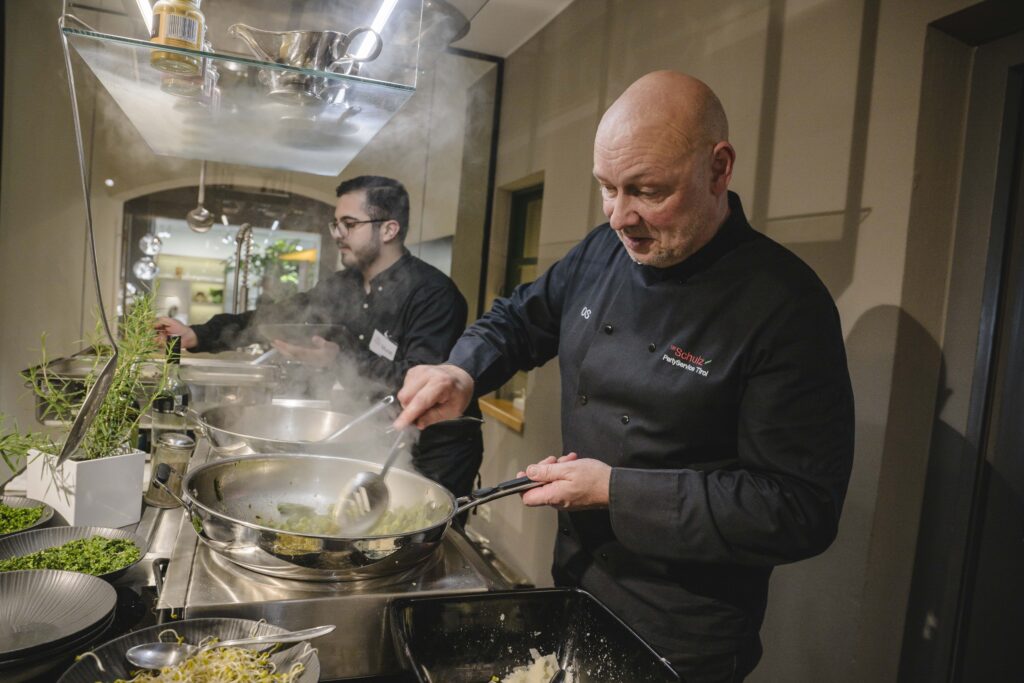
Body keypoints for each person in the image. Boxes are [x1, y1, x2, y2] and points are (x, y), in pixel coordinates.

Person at [393, 71, 855, 682]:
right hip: (576, 582)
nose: (619, 216)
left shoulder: (785, 304)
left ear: (719, 169)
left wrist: (615, 489)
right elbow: (519, 319)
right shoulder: (603, 250)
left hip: (684, 634)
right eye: (607, 188)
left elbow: (799, 508)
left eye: (647, 190)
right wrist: (462, 370)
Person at [156, 175, 483, 498]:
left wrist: (338, 359)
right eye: (336, 224)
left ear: (388, 229)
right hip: (374, 439)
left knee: (423, 534)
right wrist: (197, 335)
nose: (338, 234)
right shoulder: (342, 286)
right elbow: (275, 317)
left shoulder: (434, 295)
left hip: (434, 454)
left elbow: (423, 385)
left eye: (349, 224)